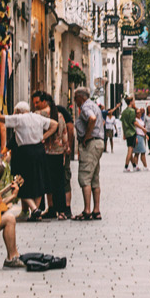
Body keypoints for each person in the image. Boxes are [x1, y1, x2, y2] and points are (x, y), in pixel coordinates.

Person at [1, 99, 55, 219]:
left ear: (19, 111)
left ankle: (34, 209)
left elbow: (2, 119)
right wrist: (43, 137)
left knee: (20, 182)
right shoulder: (37, 117)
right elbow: (54, 124)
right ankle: (36, 213)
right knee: (39, 180)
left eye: (15, 112)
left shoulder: (19, 118)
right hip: (39, 150)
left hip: (25, 153)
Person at [37, 94, 71, 221]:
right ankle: (61, 211)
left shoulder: (40, 115)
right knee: (59, 182)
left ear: (44, 102)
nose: (35, 105)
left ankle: (48, 209)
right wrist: (66, 147)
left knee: (45, 182)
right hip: (58, 153)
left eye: (37, 102)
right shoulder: (60, 115)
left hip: (45, 152)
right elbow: (64, 134)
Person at [74, 87, 104, 221]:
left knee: (85, 177)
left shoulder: (86, 107)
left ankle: (87, 210)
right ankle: (96, 210)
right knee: (94, 177)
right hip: (98, 143)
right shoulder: (94, 105)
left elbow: (91, 119)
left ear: (81, 97)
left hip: (91, 143)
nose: (74, 101)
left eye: (75, 98)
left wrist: (86, 136)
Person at [121, 97, 140, 169]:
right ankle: (126, 166)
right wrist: (143, 128)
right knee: (130, 149)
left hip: (127, 132)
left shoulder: (124, 111)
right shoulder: (132, 111)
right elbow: (134, 122)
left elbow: (123, 123)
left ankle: (134, 165)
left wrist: (124, 134)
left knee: (130, 148)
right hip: (132, 132)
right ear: (131, 102)